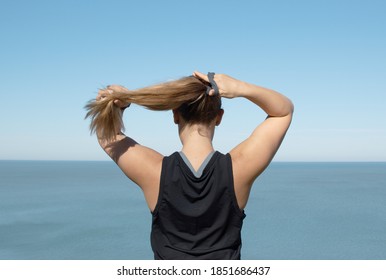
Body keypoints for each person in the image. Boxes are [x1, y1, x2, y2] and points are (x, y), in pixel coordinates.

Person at [85, 71, 294, 259]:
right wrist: (240, 88)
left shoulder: (154, 171)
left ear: (175, 115)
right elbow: (283, 111)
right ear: (219, 117)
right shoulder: (239, 168)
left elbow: (107, 137)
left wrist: (120, 104)